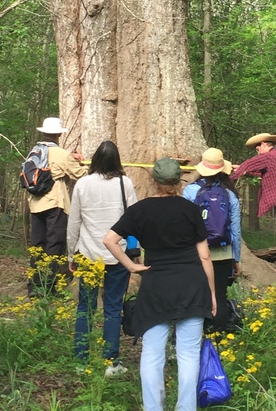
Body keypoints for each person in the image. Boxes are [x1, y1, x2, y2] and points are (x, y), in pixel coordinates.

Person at [104, 157, 216, 411]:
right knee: (188, 354)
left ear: (154, 180)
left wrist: (131, 266)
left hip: (155, 287)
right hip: (191, 285)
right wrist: (211, 294)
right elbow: (205, 255)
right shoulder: (190, 209)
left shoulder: (139, 210)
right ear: (178, 181)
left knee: (152, 354)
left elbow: (110, 239)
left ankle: (153, 408)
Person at [67, 140, 137, 374]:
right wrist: (136, 251)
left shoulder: (82, 184)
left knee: (85, 308)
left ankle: (81, 360)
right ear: (117, 161)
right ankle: (111, 362)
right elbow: (134, 217)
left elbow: (74, 221)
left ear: (95, 159)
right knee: (113, 308)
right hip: (118, 253)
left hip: (87, 253)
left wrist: (70, 254)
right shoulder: (123, 183)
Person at [27, 117, 88, 297]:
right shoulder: (62, 154)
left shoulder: (35, 151)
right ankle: (51, 287)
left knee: (37, 245)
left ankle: (34, 286)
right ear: (60, 134)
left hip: (36, 204)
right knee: (55, 244)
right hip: (55, 204)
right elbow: (79, 173)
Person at [183, 147, 241, 331]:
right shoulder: (230, 194)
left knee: (199, 293)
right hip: (223, 253)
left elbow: (185, 223)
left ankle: (199, 332)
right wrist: (236, 259)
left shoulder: (191, 191)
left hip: (197, 252)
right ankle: (219, 336)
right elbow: (236, 231)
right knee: (221, 295)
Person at [231, 132, 276, 277]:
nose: (257, 150)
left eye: (258, 147)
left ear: (264, 144)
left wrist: (230, 176)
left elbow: (249, 164)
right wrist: (245, 171)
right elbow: (268, 173)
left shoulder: (268, 157)